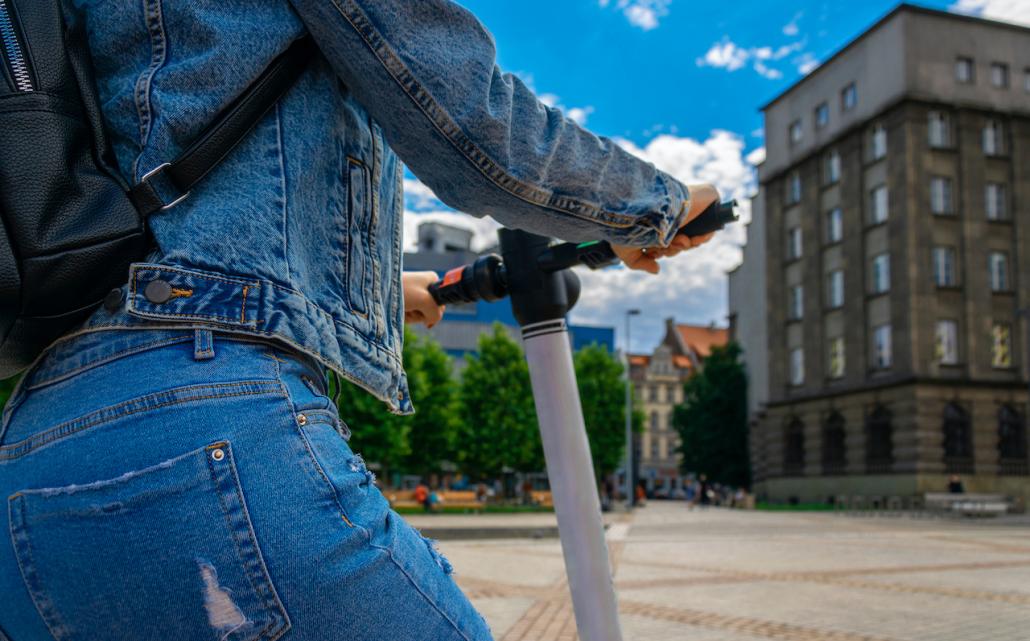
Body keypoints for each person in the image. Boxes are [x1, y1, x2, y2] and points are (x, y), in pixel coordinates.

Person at [0, 2, 718, 640]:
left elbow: (143, 152)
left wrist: (377, 286)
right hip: (203, 429)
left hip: (32, 459)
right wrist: (654, 205)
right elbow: (471, 120)